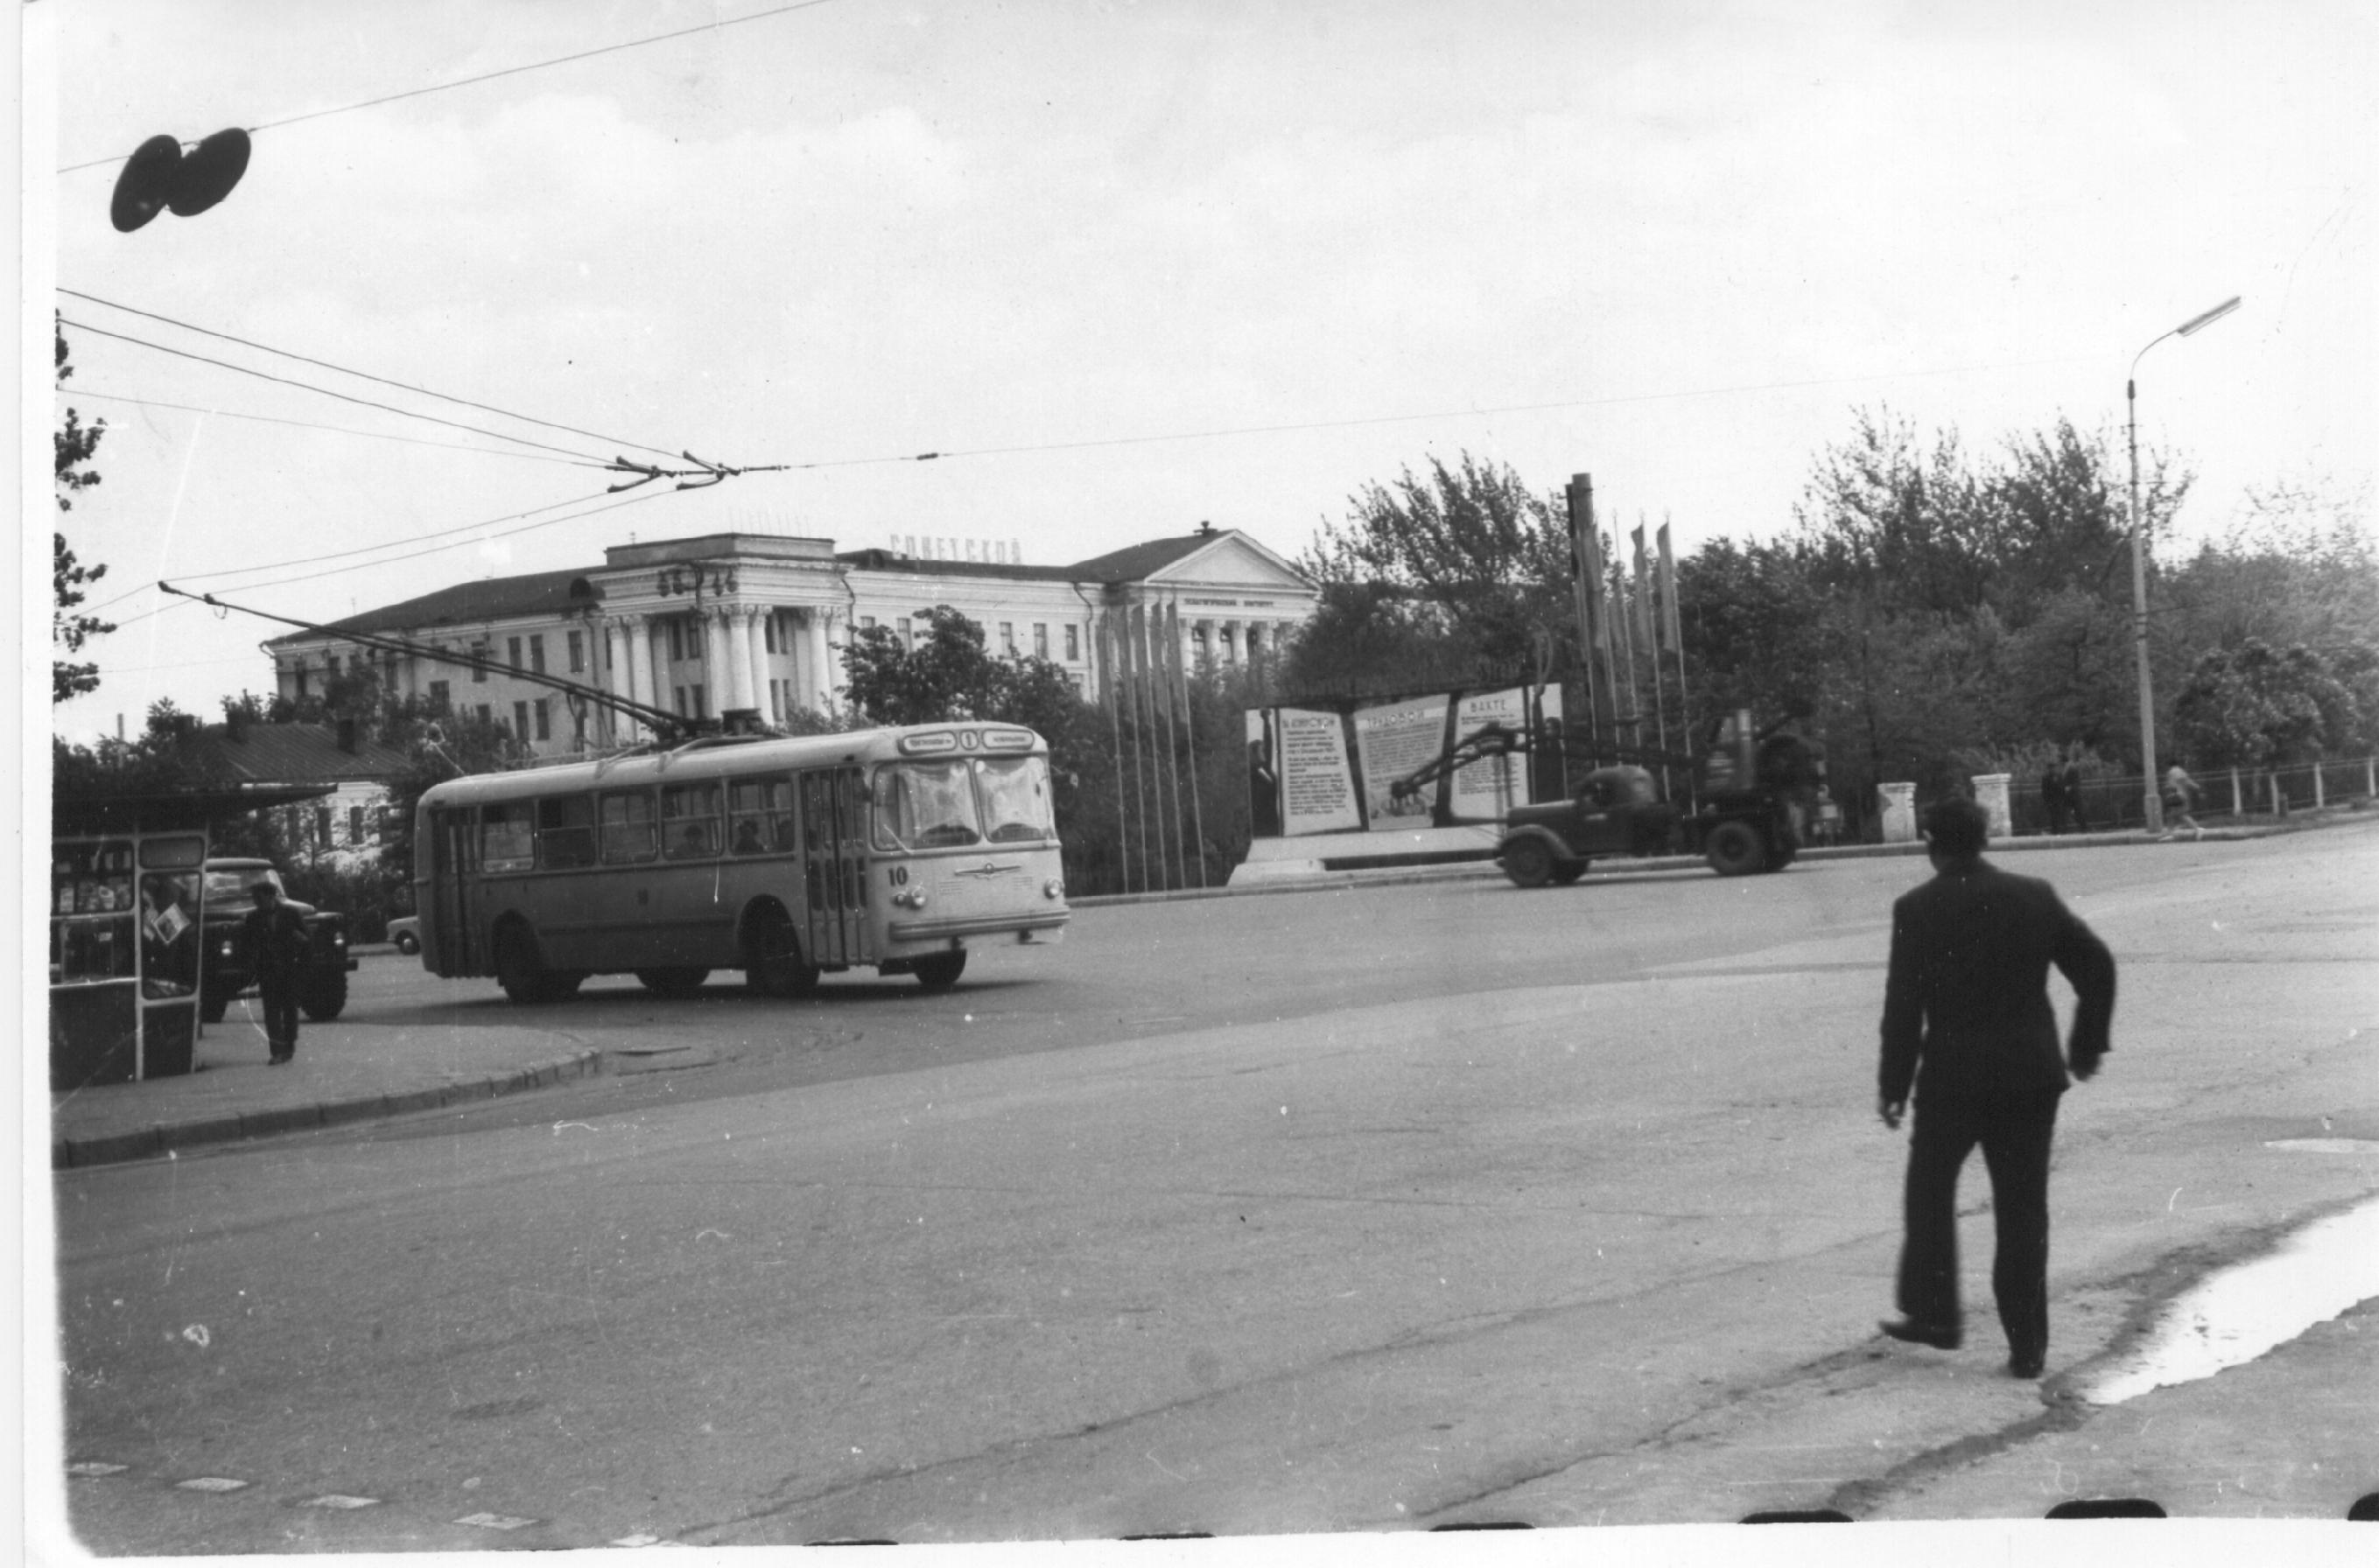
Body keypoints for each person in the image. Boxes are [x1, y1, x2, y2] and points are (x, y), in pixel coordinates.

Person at [1876, 796, 2116, 1379]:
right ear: (1984, 840)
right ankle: (2028, 1348)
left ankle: (1936, 1316)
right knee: (2023, 1212)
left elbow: (1903, 1007)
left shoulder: (1917, 907)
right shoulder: (2033, 895)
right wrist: (2084, 1045)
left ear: (1932, 842)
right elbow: (2098, 966)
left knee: (1929, 1197)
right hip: (2028, 1079)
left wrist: (1893, 1085)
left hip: (1951, 1082)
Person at [238, 880, 312, 1065]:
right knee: (271, 1012)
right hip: (268, 971)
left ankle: (289, 1046)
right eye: (254, 898)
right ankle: (277, 1051)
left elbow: (307, 940)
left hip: (289, 969)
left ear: (271, 896)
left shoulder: (291, 913)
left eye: (259, 898)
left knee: (289, 1011)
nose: (256, 902)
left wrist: (300, 947)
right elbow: (248, 945)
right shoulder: (253, 918)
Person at [2161, 763, 2204, 841]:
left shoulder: (2172, 772)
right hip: (2183, 795)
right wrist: (2196, 787)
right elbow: (2187, 781)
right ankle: (2171, 833)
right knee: (2178, 815)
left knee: (2174, 815)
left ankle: (2170, 833)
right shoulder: (2181, 771)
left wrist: (2168, 788)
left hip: (2177, 796)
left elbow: (2172, 784)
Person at [2039, 764, 2068, 836]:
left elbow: (2062, 787)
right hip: (2052, 800)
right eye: (2051, 768)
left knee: (2060, 815)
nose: (2052, 770)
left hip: (2058, 799)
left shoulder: (2058, 776)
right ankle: (2055, 830)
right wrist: (2046, 800)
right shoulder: (2046, 777)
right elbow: (2044, 790)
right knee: (2053, 816)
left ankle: (2062, 830)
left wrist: (2063, 797)